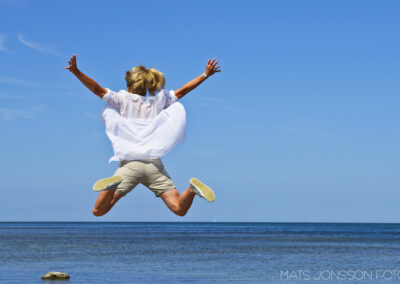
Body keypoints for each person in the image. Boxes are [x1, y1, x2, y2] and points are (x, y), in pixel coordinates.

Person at [65, 55, 221, 217]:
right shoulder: (158, 102)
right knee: (179, 209)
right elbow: (183, 91)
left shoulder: (122, 99)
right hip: (154, 166)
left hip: (130, 165)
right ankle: (192, 190)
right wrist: (205, 75)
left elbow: (97, 90)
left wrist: (76, 71)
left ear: (128, 85)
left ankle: (111, 187)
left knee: (99, 211)